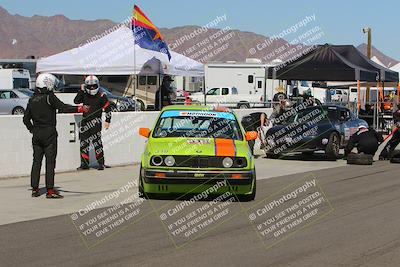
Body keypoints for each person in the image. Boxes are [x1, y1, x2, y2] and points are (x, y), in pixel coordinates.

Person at [23, 73, 88, 198]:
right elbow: (62, 107)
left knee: (36, 162)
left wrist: (32, 130)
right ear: (47, 84)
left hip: (36, 134)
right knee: (50, 162)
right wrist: (79, 109)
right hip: (49, 133)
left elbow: (26, 119)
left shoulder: (32, 99)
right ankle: (50, 191)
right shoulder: (49, 97)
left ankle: (35, 189)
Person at [74, 75, 112, 171]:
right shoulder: (84, 94)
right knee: (84, 144)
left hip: (96, 123)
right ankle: (84, 164)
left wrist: (108, 121)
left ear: (97, 85)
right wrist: (81, 91)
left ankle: (101, 163)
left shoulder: (102, 95)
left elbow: (108, 109)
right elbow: (76, 101)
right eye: (89, 86)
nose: (92, 88)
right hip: (85, 122)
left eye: (93, 86)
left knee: (97, 143)